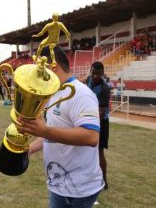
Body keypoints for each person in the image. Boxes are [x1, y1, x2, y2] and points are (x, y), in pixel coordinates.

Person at [18, 46, 104, 208]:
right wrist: (28, 149)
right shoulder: (54, 93)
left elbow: (91, 136)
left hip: (79, 189)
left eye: (39, 70)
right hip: (59, 185)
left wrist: (45, 130)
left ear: (53, 67)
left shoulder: (81, 94)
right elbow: (51, 133)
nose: (37, 75)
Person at [87, 61, 111, 190]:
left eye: (98, 74)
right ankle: (90, 179)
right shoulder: (88, 80)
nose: (95, 76)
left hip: (100, 122)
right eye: (93, 73)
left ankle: (104, 181)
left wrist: (91, 127)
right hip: (89, 119)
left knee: (99, 151)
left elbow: (101, 114)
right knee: (87, 151)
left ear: (102, 73)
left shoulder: (105, 88)